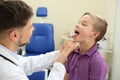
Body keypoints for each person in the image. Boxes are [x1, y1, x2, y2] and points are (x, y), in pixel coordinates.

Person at [0, 0, 79, 80]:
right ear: (15, 35)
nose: (33, 29)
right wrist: (59, 64)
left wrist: (61, 53)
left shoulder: (5, 55)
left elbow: (28, 63)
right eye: (30, 27)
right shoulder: (10, 74)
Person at [64, 12, 109, 80]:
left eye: (83, 24)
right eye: (78, 22)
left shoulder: (98, 62)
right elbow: (67, 76)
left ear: (94, 34)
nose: (77, 25)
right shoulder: (73, 53)